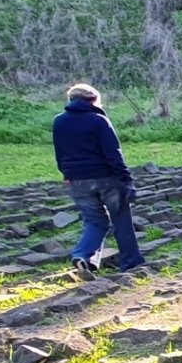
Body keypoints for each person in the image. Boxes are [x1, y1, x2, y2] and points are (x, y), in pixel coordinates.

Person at [52, 83, 144, 277]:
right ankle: (131, 262)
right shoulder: (99, 120)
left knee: (95, 221)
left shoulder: (59, 121)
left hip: (77, 181)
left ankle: (83, 256)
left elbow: (60, 153)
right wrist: (126, 180)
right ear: (94, 100)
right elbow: (113, 153)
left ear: (71, 100)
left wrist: (67, 174)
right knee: (121, 221)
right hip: (106, 178)